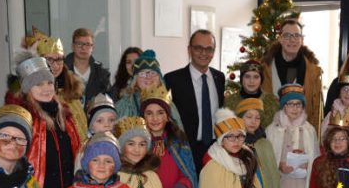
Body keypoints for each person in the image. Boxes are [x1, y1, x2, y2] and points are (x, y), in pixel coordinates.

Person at [6, 51, 81, 188]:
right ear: (27, 88)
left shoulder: (64, 116)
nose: (46, 88)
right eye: (38, 84)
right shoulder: (25, 119)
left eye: (49, 82)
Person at [165, 30, 226, 172]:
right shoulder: (173, 79)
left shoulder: (219, 78)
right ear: (189, 49)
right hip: (186, 149)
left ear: (213, 51)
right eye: (198, 48)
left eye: (209, 49)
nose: (203, 53)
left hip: (214, 148)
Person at [22, 27, 88, 141]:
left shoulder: (72, 89)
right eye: (49, 59)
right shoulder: (31, 93)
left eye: (59, 59)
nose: (56, 65)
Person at [261, 18, 323, 129]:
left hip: (301, 134)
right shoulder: (264, 70)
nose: (292, 40)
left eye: (296, 35)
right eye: (287, 36)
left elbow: (316, 110)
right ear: (280, 39)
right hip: (271, 133)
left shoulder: (313, 73)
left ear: (302, 40)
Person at [116, 49, 184, 125]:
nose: (148, 77)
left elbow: (178, 133)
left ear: (160, 79)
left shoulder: (169, 104)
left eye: (152, 73)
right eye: (142, 74)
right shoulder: (124, 105)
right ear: (135, 81)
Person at [225, 59, 280, 129]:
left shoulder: (272, 101)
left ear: (261, 80)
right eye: (247, 77)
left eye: (256, 77)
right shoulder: (230, 102)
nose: (251, 81)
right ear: (242, 79)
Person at [64, 27, 112, 102]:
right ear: (73, 47)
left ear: (92, 48)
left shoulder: (101, 74)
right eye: (79, 44)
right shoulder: (62, 71)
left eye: (87, 44)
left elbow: (108, 101)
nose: (83, 48)